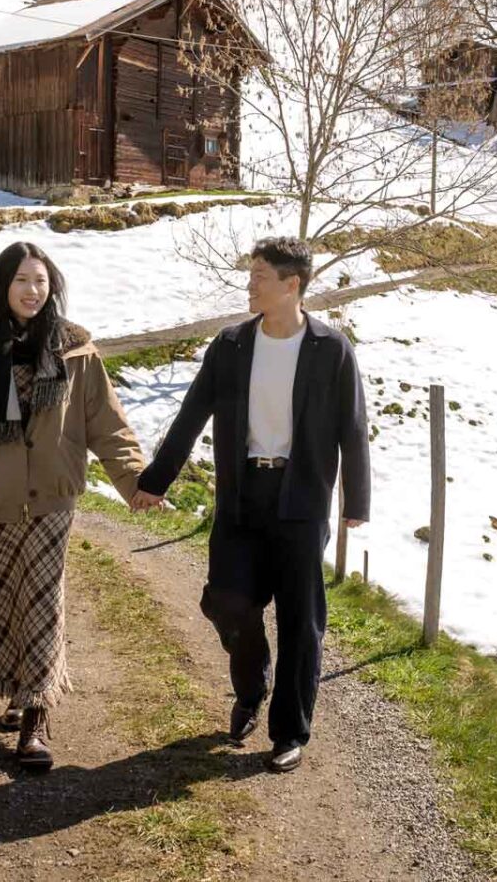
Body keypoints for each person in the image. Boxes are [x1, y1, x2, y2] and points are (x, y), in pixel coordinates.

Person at [130, 235, 369, 773]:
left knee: (300, 620)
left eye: (261, 275)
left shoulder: (331, 349)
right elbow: (192, 414)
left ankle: (289, 732)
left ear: (293, 285)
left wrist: (357, 500)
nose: (251, 282)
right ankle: (251, 684)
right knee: (227, 600)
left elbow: (353, 429)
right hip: (241, 496)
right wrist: (157, 479)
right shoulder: (232, 344)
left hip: (302, 498)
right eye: (252, 273)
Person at [0, 241, 145, 772]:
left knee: (42, 603)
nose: (32, 290)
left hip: (52, 500)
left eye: (41, 281)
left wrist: (135, 478)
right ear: (2, 286)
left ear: (53, 286)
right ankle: (13, 690)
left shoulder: (75, 351)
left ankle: (35, 718)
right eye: (22, 280)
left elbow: (106, 424)